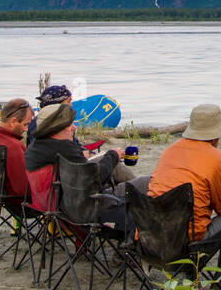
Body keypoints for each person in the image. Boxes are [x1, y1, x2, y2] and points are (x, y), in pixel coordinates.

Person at [24, 96, 143, 232]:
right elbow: (94, 180)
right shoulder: (63, 149)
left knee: (119, 175)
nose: (74, 127)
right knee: (142, 185)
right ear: (56, 129)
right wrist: (113, 156)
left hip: (53, 204)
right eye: (69, 125)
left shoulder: (35, 148)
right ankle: (131, 239)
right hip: (81, 209)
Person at [147, 104, 221, 257]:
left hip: (151, 236)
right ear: (216, 136)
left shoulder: (169, 151)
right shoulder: (216, 159)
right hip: (185, 243)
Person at [0, 98, 34, 199]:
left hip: (0, 197)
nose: (26, 129)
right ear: (13, 121)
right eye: (25, 124)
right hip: (21, 203)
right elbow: (23, 189)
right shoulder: (14, 147)